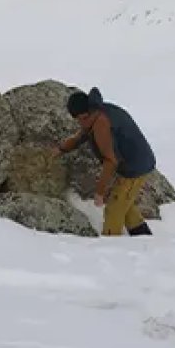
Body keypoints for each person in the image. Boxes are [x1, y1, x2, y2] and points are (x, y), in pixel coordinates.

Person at [52, 87, 156, 237]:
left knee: (114, 208)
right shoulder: (96, 114)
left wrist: (99, 192)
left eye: (80, 119)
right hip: (132, 164)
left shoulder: (101, 123)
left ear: (85, 114)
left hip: (136, 168)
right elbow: (81, 136)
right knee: (123, 201)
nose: (79, 123)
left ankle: (111, 246)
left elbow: (110, 161)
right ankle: (143, 237)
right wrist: (62, 149)